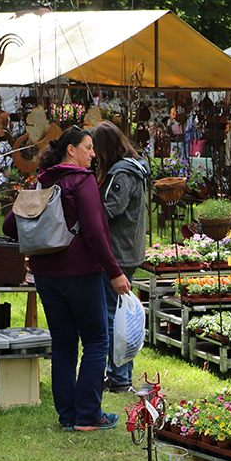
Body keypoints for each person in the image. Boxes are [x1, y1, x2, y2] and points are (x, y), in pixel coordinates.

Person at [3, 127, 131, 431]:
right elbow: (96, 232)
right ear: (71, 150)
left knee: (63, 344)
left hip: (45, 275)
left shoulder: (43, 180)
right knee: (96, 340)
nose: (93, 154)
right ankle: (87, 416)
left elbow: (10, 225)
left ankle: (67, 416)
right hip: (80, 273)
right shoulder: (81, 180)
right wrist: (115, 272)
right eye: (88, 148)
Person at [91, 120, 150, 393]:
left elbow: (111, 209)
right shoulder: (134, 168)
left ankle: (119, 378)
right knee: (122, 315)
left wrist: (88, 210)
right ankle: (120, 375)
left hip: (119, 252)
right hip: (129, 249)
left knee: (115, 318)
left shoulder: (122, 174)